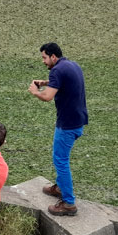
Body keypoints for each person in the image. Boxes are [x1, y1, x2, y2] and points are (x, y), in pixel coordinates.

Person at [28, 42, 88, 216]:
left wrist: (34, 91)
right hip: (78, 120)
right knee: (61, 158)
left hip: (67, 125)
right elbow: (62, 81)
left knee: (60, 160)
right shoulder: (71, 65)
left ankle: (69, 203)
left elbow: (47, 96)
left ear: (53, 56)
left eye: (45, 58)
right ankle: (60, 187)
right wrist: (45, 81)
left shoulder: (57, 70)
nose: (43, 61)